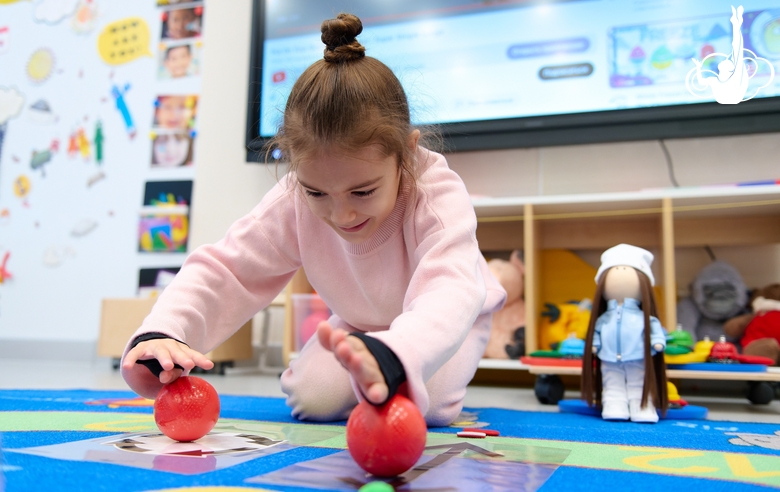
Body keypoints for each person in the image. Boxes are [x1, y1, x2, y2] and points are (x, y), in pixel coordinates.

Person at [121, 13, 506, 426]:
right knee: (314, 400)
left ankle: (499, 277)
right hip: (360, 322)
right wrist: (163, 332)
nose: (341, 214)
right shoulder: (294, 198)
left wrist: (397, 356)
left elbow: (448, 291)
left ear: (406, 153)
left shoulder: (435, 193)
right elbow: (229, 269)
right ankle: (376, 362)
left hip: (454, 317)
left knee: (426, 405)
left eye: (363, 191)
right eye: (317, 192)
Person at [581, 244, 668, 423]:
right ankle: (614, 404)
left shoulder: (643, 317)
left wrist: (657, 341)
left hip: (638, 356)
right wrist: (595, 345)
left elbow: (654, 328)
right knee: (612, 382)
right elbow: (596, 331)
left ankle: (642, 404)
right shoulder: (604, 318)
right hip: (609, 357)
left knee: (639, 381)